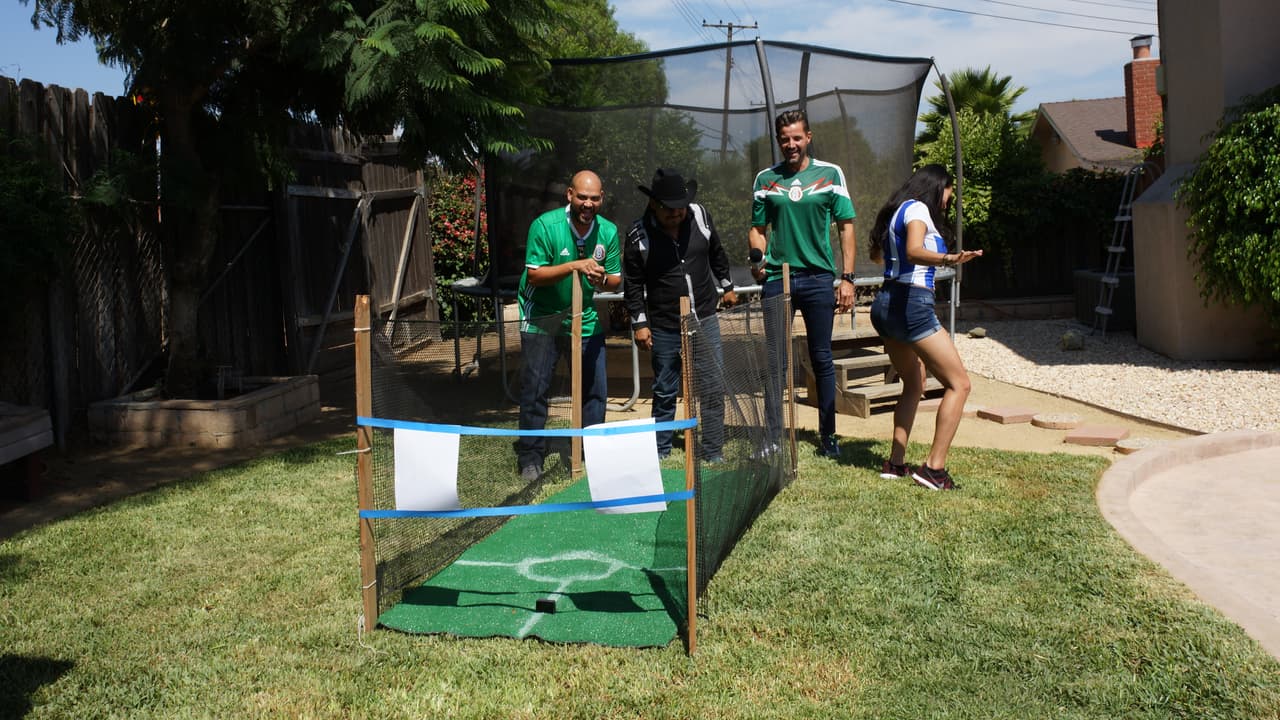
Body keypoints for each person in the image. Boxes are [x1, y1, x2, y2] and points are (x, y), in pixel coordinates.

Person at [749, 109, 857, 459]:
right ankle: (772, 437)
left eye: (797, 138)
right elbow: (757, 229)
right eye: (785, 139)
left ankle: (828, 436)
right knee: (775, 362)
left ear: (808, 137)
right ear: (778, 141)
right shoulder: (766, 179)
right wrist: (757, 258)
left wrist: (847, 278)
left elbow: (846, 227)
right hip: (778, 280)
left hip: (818, 278)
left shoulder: (830, 174)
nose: (791, 144)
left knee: (822, 358)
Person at [868, 164, 982, 490]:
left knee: (914, 384)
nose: (949, 199)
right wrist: (950, 259)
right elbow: (914, 251)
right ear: (936, 187)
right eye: (948, 191)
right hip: (911, 305)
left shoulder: (895, 211)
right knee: (959, 385)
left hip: (886, 303)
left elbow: (880, 255)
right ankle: (934, 469)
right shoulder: (918, 209)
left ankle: (895, 463)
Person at [623, 168, 738, 461]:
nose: (676, 214)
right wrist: (639, 323)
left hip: (705, 316)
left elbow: (716, 252)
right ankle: (660, 451)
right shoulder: (638, 234)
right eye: (669, 209)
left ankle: (712, 451)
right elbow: (633, 283)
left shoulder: (699, 215)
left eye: (680, 207)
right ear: (653, 205)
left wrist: (727, 286)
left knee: (712, 386)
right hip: (663, 323)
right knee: (664, 389)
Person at [516, 170, 622, 481]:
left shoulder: (608, 231)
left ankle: (592, 453)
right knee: (535, 390)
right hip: (542, 319)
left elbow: (615, 278)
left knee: (595, 390)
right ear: (570, 196)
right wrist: (574, 266)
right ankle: (531, 457)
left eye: (594, 198)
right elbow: (534, 274)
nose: (587, 204)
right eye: (582, 197)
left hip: (584, 316)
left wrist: (601, 278)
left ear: (601, 199)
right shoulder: (545, 226)